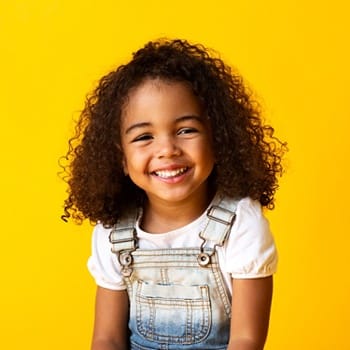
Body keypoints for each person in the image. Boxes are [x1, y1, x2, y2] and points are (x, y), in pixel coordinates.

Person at [61, 38, 286, 350]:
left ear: (218, 138)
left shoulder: (241, 225)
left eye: (186, 130)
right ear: (121, 158)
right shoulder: (114, 232)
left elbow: (246, 340)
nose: (167, 149)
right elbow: (107, 338)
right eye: (144, 136)